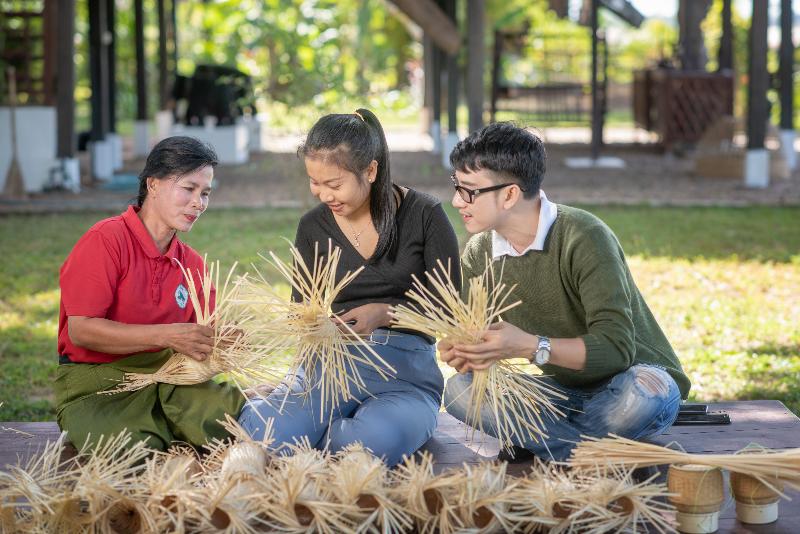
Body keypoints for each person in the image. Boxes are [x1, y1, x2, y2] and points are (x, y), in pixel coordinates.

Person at [439, 122, 691, 462]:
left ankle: (545, 440)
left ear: (510, 194)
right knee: (459, 393)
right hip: (563, 393)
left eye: (469, 191)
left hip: (634, 379)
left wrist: (528, 345)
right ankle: (590, 449)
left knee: (640, 399)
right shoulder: (479, 252)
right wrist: (469, 352)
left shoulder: (584, 236)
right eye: (457, 186)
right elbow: (480, 345)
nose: (457, 201)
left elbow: (616, 350)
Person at [238, 109, 461, 466]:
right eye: (314, 182)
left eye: (334, 184)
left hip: (403, 371)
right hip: (331, 365)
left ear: (370, 171)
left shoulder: (424, 215)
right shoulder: (312, 226)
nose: (323, 194)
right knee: (269, 433)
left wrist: (387, 314)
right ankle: (303, 419)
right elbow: (302, 308)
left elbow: (453, 315)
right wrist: (307, 325)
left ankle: (318, 437)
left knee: (372, 443)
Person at [55, 136, 244, 451]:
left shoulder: (192, 264)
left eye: (206, 193)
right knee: (132, 451)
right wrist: (167, 336)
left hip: (173, 380)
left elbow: (202, 337)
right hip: (100, 385)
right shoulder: (106, 240)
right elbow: (82, 330)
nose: (199, 203)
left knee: (242, 422)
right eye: (189, 189)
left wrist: (222, 342)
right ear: (153, 184)